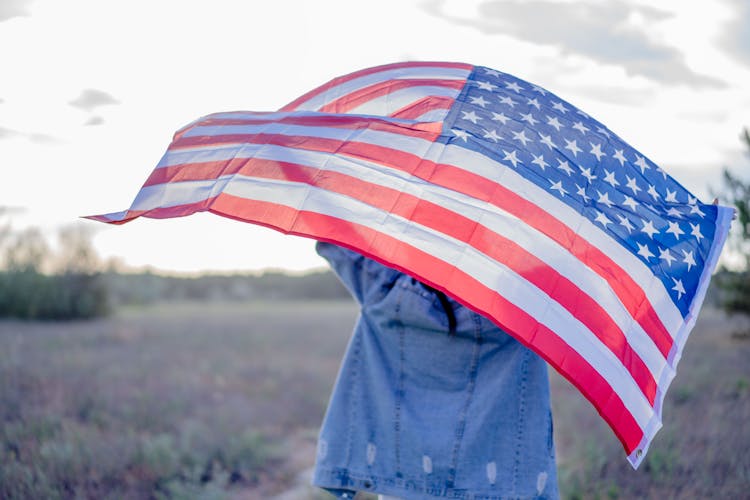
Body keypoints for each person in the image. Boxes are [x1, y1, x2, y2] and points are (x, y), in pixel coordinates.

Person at [312, 241, 559, 499]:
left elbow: (332, 235)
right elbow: (561, 266)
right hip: (495, 482)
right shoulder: (521, 303)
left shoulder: (383, 290)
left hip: (402, 475)